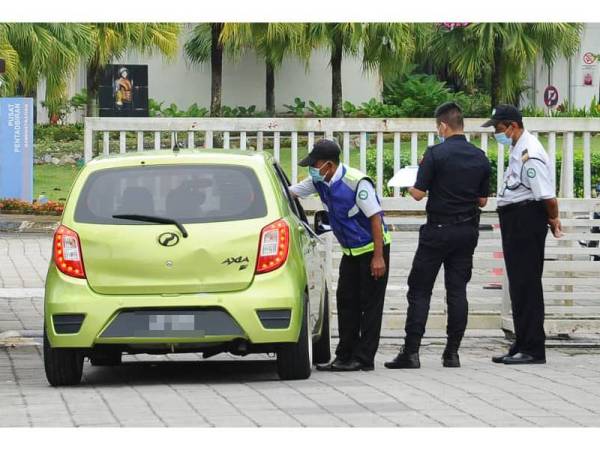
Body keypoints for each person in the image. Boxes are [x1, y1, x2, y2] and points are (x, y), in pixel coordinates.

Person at [385, 102, 491, 369]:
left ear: (443, 125)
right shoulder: (480, 157)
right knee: (457, 291)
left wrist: (411, 178)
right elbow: (482, 201)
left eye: (438, 127)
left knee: (420, 289)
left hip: (438, 231)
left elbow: (418, 194)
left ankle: (411, 352)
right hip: (467, 231)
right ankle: (452, 352)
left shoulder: (435, 154)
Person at [289, 139, 391, 371]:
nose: (311, 170)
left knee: (370, 307)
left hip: (372, 250)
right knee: (346, 303)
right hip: (351, 252)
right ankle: (344, 356)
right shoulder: (321, 181)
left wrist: (378, 257)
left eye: (314, 165)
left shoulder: (356, 183)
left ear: (329, 165)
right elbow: (292, 192)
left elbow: (375, 219)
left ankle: (364, 359)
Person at [482, 105, 562, 365]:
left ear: (512, 126)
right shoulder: (518, 149)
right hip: (517, 220)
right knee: (518, 284)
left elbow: (547, 197)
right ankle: (522, 341)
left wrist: (553, 218)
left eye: (498, 129)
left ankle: (533, 348)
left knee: (527, 284)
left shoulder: (530, 154)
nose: (497, 134)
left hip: (526, 220)